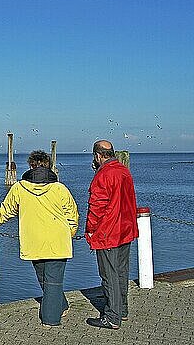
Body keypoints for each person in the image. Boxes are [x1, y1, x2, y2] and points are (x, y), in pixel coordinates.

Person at [0, 150, 78, 328]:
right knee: (53, 280)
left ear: (31, 166)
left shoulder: (19, 188)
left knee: (44, 279)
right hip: (58, 241)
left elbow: (7, 210)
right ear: (48, 165)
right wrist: (69, 233)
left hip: (33, 241)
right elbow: (72, 215)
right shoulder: (60, 188)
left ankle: (55, 312)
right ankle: (52, 316)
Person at [85, 140, 138, 330]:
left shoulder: (103, 175)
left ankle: (112, 316)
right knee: (121, 272)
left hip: (108, 232)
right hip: (125, 229)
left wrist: (90, 230)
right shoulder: (124, 171)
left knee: (109, 275)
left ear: (98, 155)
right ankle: (121, 310)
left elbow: (97, 207)